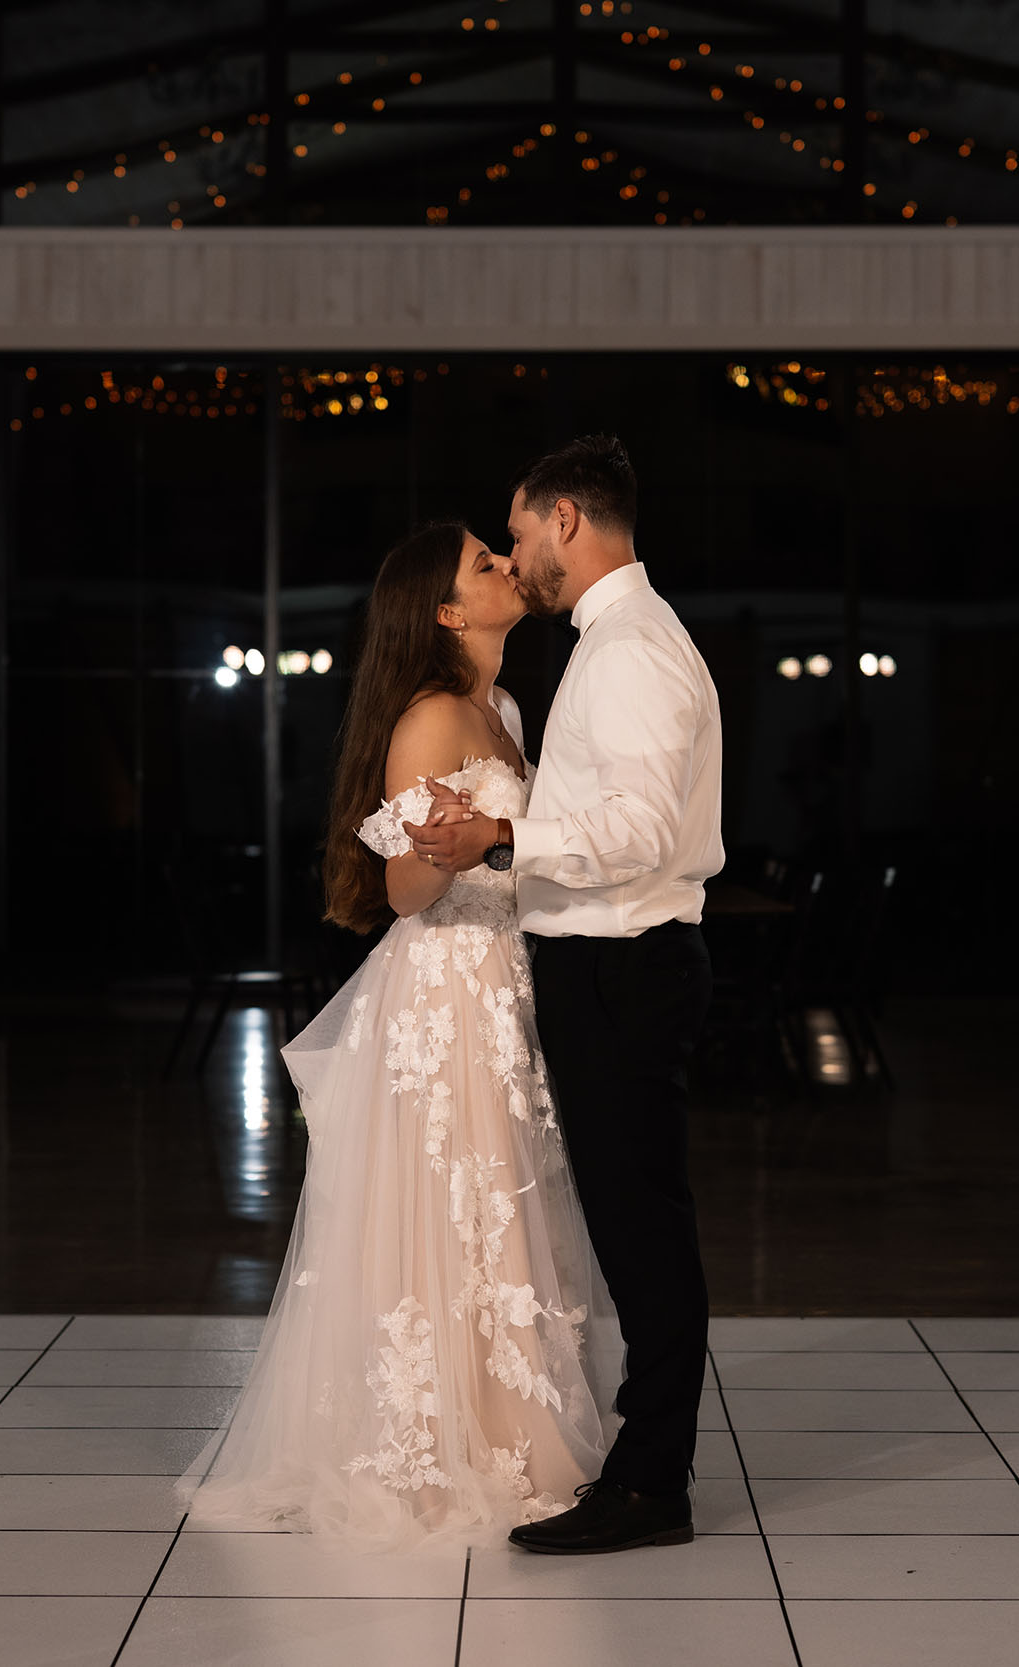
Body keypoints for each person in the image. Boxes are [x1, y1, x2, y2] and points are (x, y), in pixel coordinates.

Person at [180, 521, 614, 1550]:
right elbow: (403, 888)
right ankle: (432, 1448)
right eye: (483, 561)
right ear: (448, 611)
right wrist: (441, 852)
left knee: (505, 1209)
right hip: (448, 993)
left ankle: (507, 1429)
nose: (506, 564)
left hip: (508, 983)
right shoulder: (428, 717)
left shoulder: (500, 705)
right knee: (455, 1206)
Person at [407, 434, 725, 1556]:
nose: (513, 551)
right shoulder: (615, 640)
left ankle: (649, 1485)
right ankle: (645, 1465)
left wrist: (500, 834)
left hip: (623, 964)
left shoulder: (631, 649)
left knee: (643, 1229)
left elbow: (635, 834)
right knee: (638, 1223)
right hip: (608, 964)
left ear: (566, 522)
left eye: (519, 530)